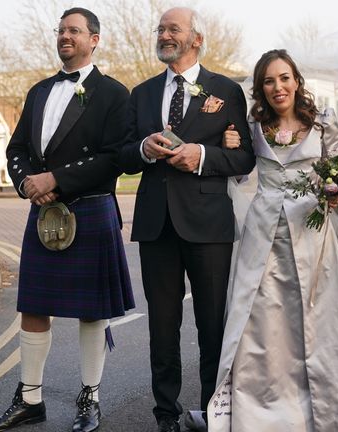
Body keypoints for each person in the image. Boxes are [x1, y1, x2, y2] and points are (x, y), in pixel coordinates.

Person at [207, 49, 338, 432]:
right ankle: (266, 414)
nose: (277, 87)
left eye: (284, 78)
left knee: (323, 325)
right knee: (266, 328)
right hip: (262, 239)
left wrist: (337, 192)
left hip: (314, 239)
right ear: (261, 89)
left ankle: (333, 410)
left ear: (297, 81)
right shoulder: (251, 126)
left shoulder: (322, 125)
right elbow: (241, 175)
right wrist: (229, 148)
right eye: (269, 81)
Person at [0, 7, 134, 432]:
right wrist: (29, 182)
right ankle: (30, 398)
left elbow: (114, 159)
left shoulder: (113, 94)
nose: (65, 36)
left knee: (91, 311)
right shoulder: (40, 90)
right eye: (61, 30)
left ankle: (90, 398)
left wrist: (58, 180)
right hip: (42, 210)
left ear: (94, 39)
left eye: (75, 30)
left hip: (90, 208)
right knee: (33, 305)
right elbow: (16, 149)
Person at [118, 7, 255, 432]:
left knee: (213, 324)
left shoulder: (225, 90)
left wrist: (202, 156)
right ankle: (165, 413)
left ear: (196, 39)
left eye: (172, 29)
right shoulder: (140, 94)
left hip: (209, 225)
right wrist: (143, 148)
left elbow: (244, 156)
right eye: (160, 29)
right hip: (156, 225)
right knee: (162, 326)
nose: (164, 35)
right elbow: (122, 154)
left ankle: (214, 410)